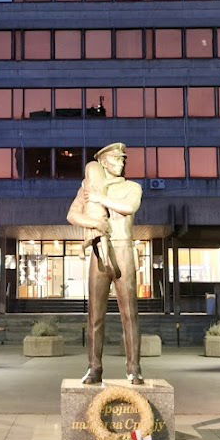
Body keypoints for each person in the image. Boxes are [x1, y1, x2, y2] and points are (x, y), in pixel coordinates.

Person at [67, 142, 144, 385]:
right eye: (116, 158)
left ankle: (134, 369)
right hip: (99, 252)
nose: (121, 162)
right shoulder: (89, 187)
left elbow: (129, 207)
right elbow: (72, 215)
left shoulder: (132, 187)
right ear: (103, 162)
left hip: (122, 248)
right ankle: (94, 367)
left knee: (129, 313)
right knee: (95, 315)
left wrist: (102, 198)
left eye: (123, 159)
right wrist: (93, 224)